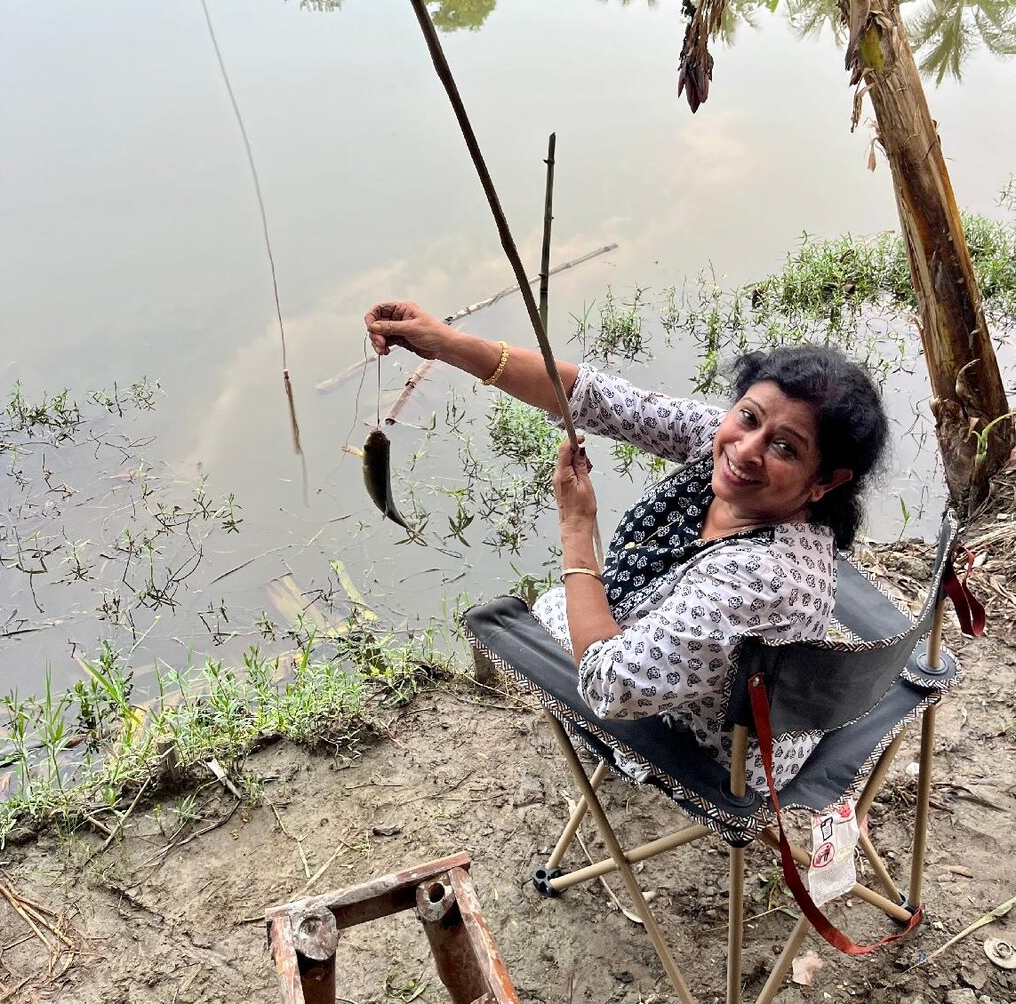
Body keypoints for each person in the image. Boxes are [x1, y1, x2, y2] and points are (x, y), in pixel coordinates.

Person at [364, 300, 889, 792]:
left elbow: (609, 687)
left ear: (825, 482)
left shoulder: (759, 579)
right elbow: (603, 401)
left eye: (784, 448)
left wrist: (576, 533)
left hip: (711, 755)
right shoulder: (730, 451)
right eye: (749, 417)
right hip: (734, 683)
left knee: (536, 615)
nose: (745, 450)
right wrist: (447, 344)